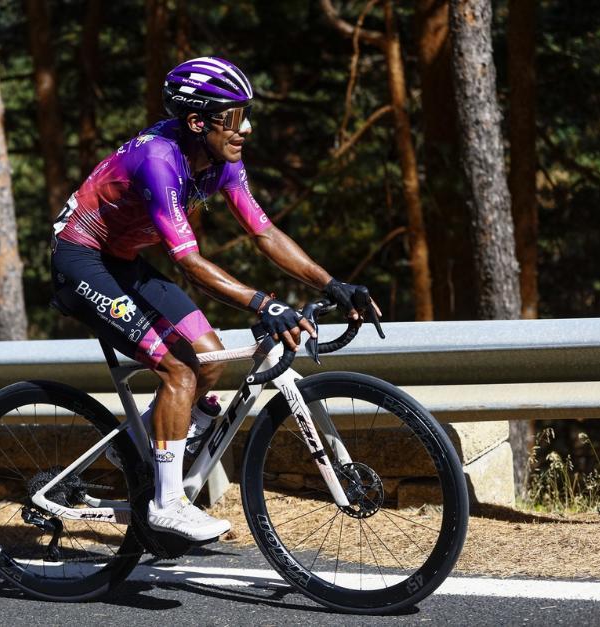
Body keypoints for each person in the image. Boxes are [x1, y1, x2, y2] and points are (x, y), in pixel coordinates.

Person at [50, 56, 380, 542]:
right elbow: (189, 263)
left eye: (246, 114)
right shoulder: (159, 161)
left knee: (209, 359)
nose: (245, 127)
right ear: (197, 121)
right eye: (233, 117)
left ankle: (132, 446)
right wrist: (265, 304)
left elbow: (264, 232)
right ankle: (167, 503)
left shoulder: (221, 159)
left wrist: (332, 284)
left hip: (123, 260)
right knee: (178, 370)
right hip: (80, 259)